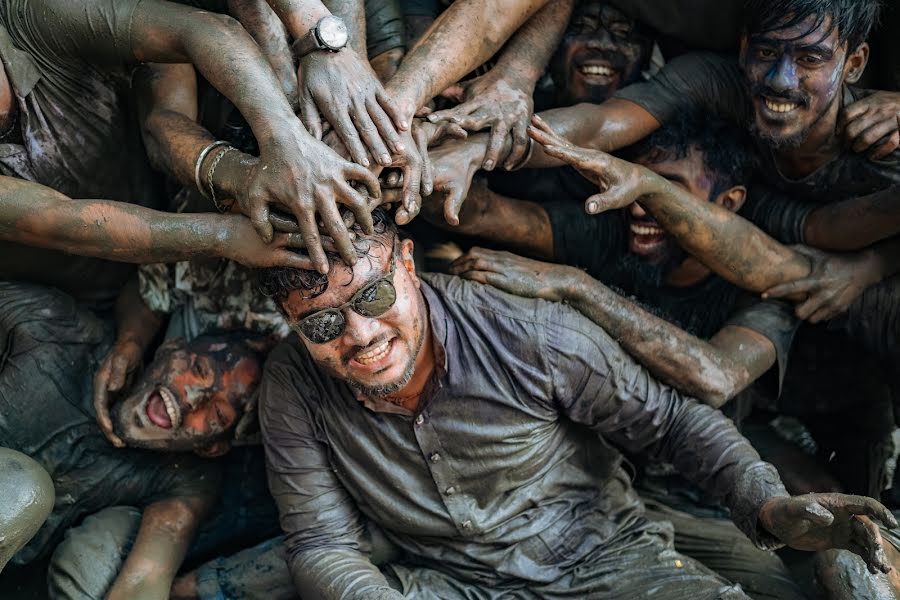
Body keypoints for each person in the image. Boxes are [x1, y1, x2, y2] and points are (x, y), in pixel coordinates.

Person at [253, 208, 895, 599]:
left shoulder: (530, 332)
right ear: (289, 323)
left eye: (371, 298)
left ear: (409, 264)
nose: (361, 336)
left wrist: (767, 503)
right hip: (449, 584)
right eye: (320, 325)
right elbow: (321, 545)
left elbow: (671, 421)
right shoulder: (291, 385)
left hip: (604, 558)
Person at [0, 280, 277, 599]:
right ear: (169, 348)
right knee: (24, 488)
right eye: (198, 370)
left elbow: (146, 579)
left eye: (216, 415)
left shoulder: (186, 478)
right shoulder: (56, 331)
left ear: (211, 446)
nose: (192, 398)